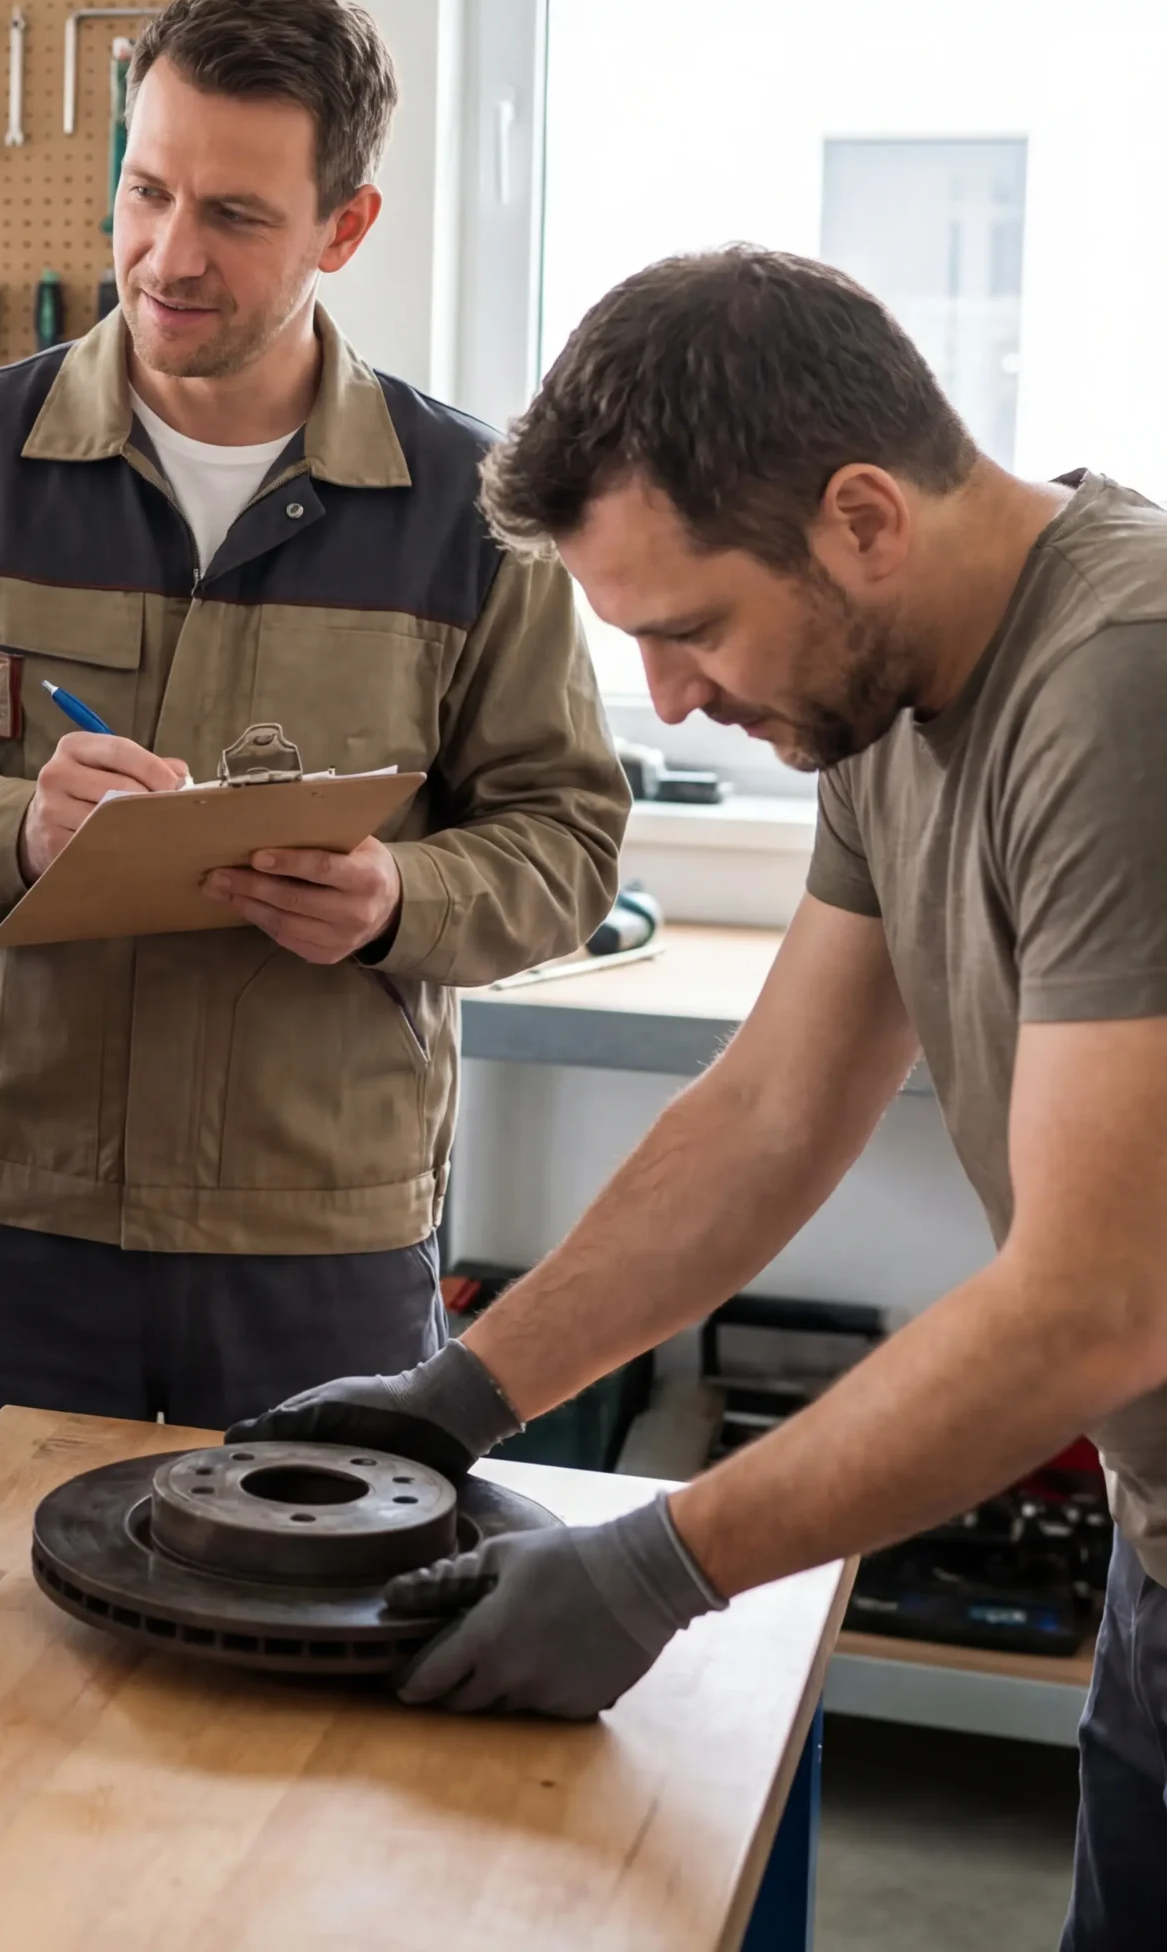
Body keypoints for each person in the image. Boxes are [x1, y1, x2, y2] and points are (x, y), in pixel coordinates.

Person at [234, 246, 1167, 1946]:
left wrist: (659, 1567)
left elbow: (1092, 1306)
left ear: (863, 519)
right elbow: (770, 1116)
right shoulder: (888, 699)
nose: (669, 700)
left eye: (690, 629)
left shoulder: (1124, 684)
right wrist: (461, 1397)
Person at [0, 0, 627, 1521]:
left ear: (344, 228)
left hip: (319, 1239)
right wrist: (19, 832)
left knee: (303, 1658)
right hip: (7, 1223)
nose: (170, 255)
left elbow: (566, 843)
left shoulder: (474, 509)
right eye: (147, 190)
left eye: (235, 215)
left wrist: (400, 901)